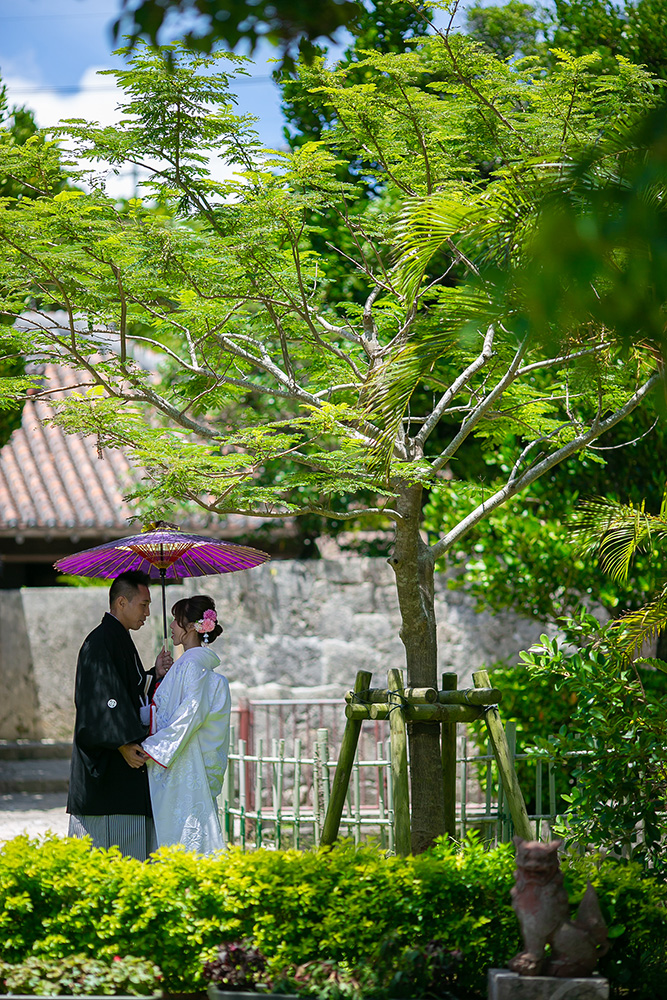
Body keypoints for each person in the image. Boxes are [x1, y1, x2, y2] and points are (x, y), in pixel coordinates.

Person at [66, 570, 173, 861]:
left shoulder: (118, 638)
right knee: (107, 861)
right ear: (122, 602)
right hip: (107, 767)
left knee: (132, 858)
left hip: (123, 765)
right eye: (143, 604)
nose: (148, 613)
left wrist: (155, 674)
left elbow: (130, 690)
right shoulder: (100, 642)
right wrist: (123, 743)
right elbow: (98, 701)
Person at [141, 595, 231, 854]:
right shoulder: (192, 664)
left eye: (176, 620)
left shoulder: (192, 664)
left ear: (191, 626)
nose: (171, 626)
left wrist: (154, 747)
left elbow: (190, 714)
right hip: (184, 757)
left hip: (181, 760)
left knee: (180, 838)